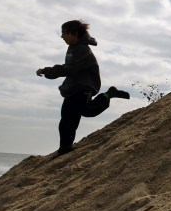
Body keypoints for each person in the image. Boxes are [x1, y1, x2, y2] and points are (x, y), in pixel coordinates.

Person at [36, 20, 129, 157]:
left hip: (84, 86)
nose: (62, 37)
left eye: (64, 33)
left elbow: (71, 69)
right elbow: (70, 69)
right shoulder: (74, 48)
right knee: (67, 119)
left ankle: (109, 94)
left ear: (74, 33)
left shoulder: (82, 49)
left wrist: (47, 71)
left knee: (87, 110)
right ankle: (65, 148)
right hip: (73, 88)